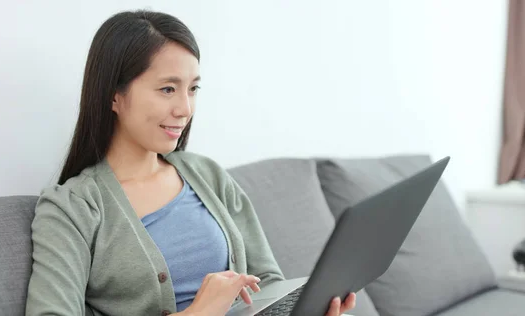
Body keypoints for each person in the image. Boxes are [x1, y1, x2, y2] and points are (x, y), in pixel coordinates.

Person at [25, 9, 356, 316]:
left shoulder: (206, 174)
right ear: (114, 94)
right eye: (168, 89)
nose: (185, 108)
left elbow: (267, 281)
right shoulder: (72, 207)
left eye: (193, 89)